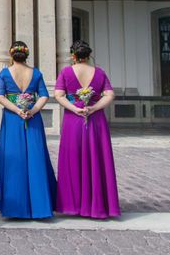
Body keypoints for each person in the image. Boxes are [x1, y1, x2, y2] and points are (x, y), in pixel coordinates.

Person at [53, 40, 121, 219]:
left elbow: (58, 95)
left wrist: (75, 108)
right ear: (88, 56)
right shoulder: (99, 72)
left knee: (72, 160)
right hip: (95, 119)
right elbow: (110, 94)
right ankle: (96, 205)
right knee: (96, 159)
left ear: (73, 56)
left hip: (72, 120)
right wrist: (94, 107)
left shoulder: (66, 72)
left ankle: (72, 204)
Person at [0, 41, 57, 219]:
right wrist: (32, 110)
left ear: (10, 54)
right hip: (33, 118)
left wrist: (16, 110)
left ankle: (15, 207)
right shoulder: (35, 73)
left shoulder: (5, 73)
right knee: (36, 159)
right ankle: (40, 206)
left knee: (14, 161)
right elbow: (44, 95)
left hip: (13, 120)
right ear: (26, 54)